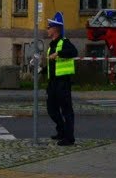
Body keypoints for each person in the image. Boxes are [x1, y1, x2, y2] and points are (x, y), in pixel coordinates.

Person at [42, 11, 78, 146]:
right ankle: (61, 130)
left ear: (55, 29)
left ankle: (69, 138)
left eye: (49, 27)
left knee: (66, 110)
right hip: (53, 82)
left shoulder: (64, 42)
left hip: (63, 82)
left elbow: (74, 52)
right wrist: (42, 70)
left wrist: (59, 53)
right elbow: (53, 63)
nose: (47, 29)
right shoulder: (52, 44)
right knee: (51, 109)